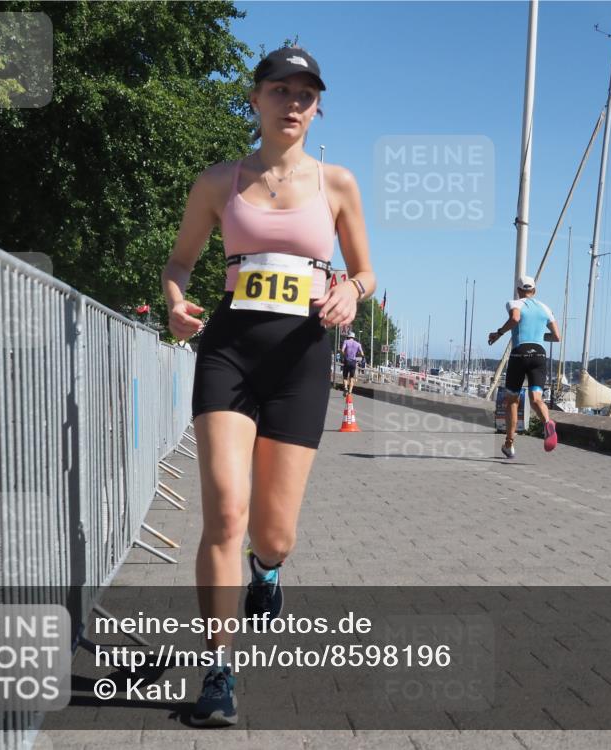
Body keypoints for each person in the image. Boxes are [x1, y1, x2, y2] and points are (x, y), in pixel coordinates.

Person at [161, 46, 374, 726]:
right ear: (254, 100)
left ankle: (269, 568)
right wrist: (174, 302)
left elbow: (367, 273)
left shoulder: (337, 183)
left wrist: (351, 294)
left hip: (301, 360)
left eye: (305, 93)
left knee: (273, 532)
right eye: (279, 89)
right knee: (225, 513)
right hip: (229, 352)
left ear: (318, 107)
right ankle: (219, 670)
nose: (292, 102)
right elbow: (180, 260)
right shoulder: (218, 182)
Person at [487, 275, 560, 458]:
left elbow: (515, 318)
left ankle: (509, 444)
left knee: (512, 400)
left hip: (520, 353)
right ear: (534, 291)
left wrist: (499, 333)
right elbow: (557, 337)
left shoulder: (514, 303)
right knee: (536, 399)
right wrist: (539, 337)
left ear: (519, 290)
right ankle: (547, 422)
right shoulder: (545, 308)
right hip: (539, 354)